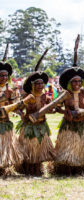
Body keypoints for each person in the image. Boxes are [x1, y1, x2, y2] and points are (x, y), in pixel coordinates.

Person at [54, 35, 84, 175]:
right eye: (74, 82)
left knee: (81, 147)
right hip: (68, 125)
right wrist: (66, 113)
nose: (77, 84)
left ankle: (80, 168)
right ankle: (67, 169)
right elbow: (55, 107)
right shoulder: (65, 94)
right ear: (70, 83)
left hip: (82, 124)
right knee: (68, 148)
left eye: (79, 81)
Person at [16, 49, 56, 176]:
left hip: (41, 126)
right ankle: (26, 169)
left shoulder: (46, 97)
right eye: (37, 83)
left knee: (39, 149)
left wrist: (52, 111)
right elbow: (18, 108)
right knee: (28, 149)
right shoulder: (28, 96)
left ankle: (38, 169)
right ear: (33, 84)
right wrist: (22, 116)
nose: (40, 85)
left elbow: (52, 109)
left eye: (42, 83)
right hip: (29, 126)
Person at [0, 44, 24, 175]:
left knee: (5, 148)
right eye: (1, 75)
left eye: (6, 75)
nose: (4, 77)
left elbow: (14, 105)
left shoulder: (9, 90)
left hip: (5, 122)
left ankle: (3, 168)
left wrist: (20, 112)